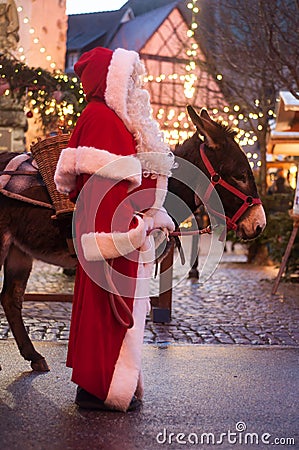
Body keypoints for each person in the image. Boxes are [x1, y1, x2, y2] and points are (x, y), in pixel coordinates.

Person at [54, 47, 175, 412]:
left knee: (111, 314)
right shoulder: (103, 119)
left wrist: (150, 217)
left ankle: (107, 385)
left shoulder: (110, 117)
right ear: (114, 79)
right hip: (112, 240)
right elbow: (103, 193)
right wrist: (127, 233)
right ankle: (100, 389)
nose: (138, 86)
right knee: (105, 314)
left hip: (120, 236)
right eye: (132, 77)